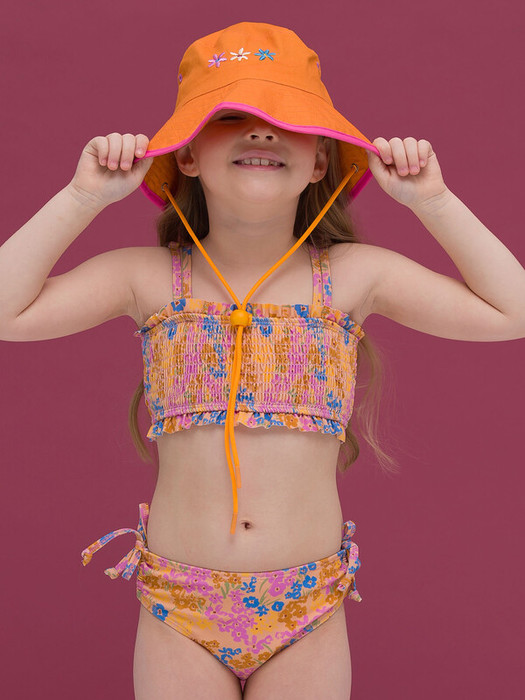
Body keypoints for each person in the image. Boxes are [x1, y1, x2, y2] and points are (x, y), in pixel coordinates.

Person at [1, 20, 524, 700]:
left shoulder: (353, 276)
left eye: (286, 121)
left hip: (304, 605)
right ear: (187, 156)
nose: (261, 132)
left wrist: (434, 202)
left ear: (320, 162)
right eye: (231, 118)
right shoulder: (147, 277)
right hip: (179, 604)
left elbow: (513, 311)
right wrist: (82, 199)